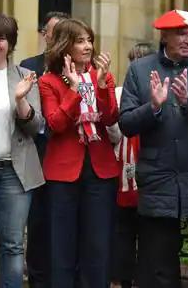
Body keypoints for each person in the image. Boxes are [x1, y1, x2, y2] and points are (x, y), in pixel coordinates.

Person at [119, 9, 188, 288]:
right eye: (181, 33)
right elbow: (127, 123)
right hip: (158, 176)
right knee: (159, 263)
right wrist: (153, 107)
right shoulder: (140, 69)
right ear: (164, 36)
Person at [38, 18, 119, 288]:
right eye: (80, 41)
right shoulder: (49, 81)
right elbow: (56, 123)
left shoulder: (103, 76)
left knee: (98, 246)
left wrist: (104, 86)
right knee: (62, 245)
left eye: (89, 40)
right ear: (65, 46)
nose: (88, 46)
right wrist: (73, 89)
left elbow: (109, 119)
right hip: (63, 173)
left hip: (100, 169)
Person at [18, 10, 69, 288]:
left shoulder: (74, 70)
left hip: (68, 161)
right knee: (37, 227)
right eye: (54, 32)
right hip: (36, 158)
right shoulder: (29, 67)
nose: (59, 37)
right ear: (44, 35)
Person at [0, 13, 45, 288]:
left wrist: (20, 100)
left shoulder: (25, 76)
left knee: (12, 245)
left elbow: (37, 126)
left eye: (1, 38)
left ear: (10, 43)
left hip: (14, 173)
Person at [109, 42, 155, 288]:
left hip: (150, 168)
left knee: (147, 230)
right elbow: (113, 132)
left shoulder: (159, 91)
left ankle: (143, 278)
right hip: (121, 167)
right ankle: (121, 277)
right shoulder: (118, 92)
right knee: (123, 228)